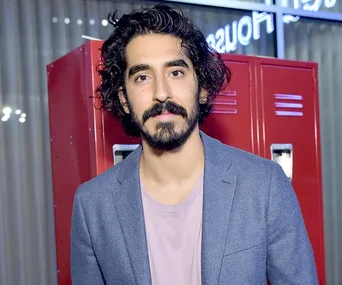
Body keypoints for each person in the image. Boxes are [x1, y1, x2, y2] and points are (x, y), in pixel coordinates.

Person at [70, 4, 318, 285]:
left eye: (176, 72)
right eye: (142, 77)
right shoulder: (92, 205)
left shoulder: (264, 185)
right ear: (125, 99)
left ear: (201, 88)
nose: (161, 92)